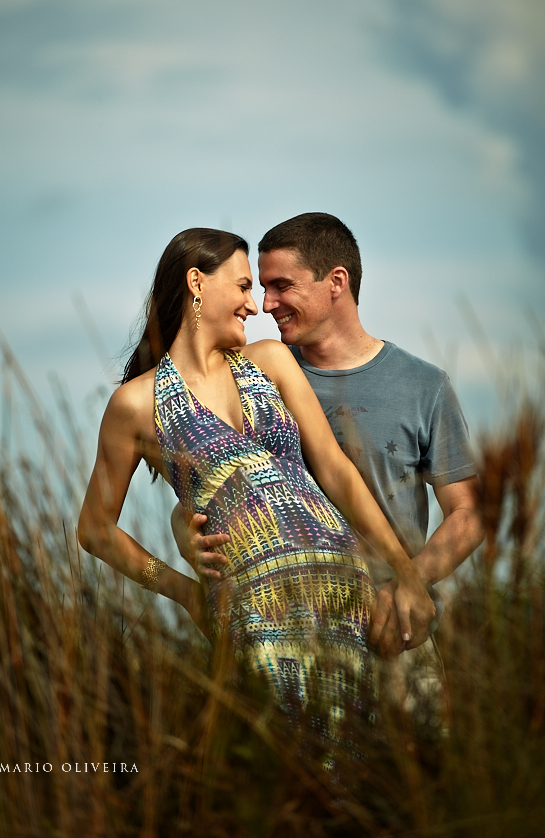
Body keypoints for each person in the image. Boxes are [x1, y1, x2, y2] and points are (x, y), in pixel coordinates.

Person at [77, 227, 435, 743]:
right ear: (197, 283)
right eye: (244, 287)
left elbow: (335, 470)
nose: (254, 305)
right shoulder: (136, 404)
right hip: (255, 615)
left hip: (346, 596)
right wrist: (184, 592)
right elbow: (94, 529)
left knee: (373, 758)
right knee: (292, 757)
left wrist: (405, 573)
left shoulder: (270, 361)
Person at [180, 214, 483, 670]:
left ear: (336, 282)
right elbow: (210, 482)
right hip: (283, 638)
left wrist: (411, 583)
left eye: (282, 286)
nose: (267, 304)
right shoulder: (252, 377)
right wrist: (184, 530)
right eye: (262, 288)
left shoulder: (424, 386)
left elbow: (468, 514)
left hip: (392, 630)